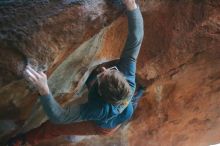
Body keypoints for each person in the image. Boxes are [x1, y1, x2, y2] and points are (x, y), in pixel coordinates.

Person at [8, 0, 144, 145]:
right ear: (121, 76)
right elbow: (136, 37)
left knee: (56, 128)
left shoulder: (97, 110)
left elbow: (59, 117)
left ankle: (24, 140)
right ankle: (136, 95)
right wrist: (131, 6)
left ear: (100, 93)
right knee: (127, 100)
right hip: (124, 107)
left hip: (102, 126)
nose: (103, 69)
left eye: (101, 76)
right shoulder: (128, 76)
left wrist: (44, 90)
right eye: (110, 70)